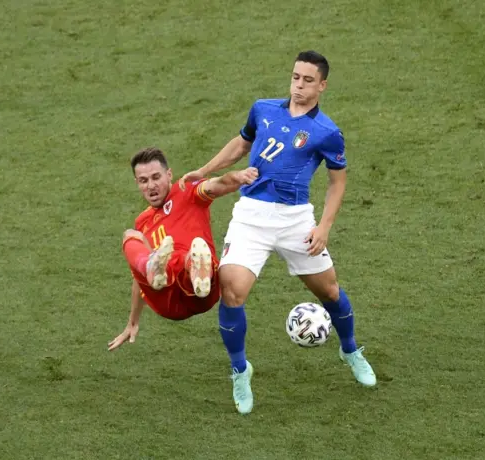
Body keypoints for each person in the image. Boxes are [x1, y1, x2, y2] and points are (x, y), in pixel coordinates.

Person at [180, 50, 377, 414]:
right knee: (232, 293)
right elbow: (241, 144)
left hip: (296, 221)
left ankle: (350, 349)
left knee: (330, 291)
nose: (298, 85)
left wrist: (324, 227)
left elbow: (337, 183)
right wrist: (204, 170)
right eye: (294, 77)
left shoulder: (327, 133)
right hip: (251, 217)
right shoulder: (263, 108)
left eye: (306, 80)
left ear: (322, 85)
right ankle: (240, 370)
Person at [108, 147, 258, 351]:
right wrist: (133, 321)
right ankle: (162, 266)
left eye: (156, 177)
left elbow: (218, 184)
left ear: (169, 175)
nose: (151, 186)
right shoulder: (142, 222)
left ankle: (194, 270)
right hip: (166, 299)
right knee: (131, 236)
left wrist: (239, 177)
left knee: (184, 257)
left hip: (200, 293)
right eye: (143, 181)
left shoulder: (186, 190)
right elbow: (138, 277)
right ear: (137, 183)